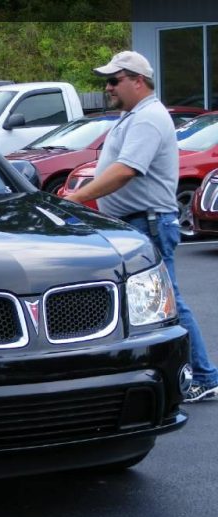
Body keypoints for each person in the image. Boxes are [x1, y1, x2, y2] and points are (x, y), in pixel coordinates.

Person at [67, 50, 218, 402]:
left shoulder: (148, 118)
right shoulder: (134, 116)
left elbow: (125, 170)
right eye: (107, 81)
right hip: (135, 222)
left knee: (167, 302)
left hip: (147, 222)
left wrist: (76, 199)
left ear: (138, 81)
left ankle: (204, 376)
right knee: (149, 303)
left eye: (114, 80)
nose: (107, 87)